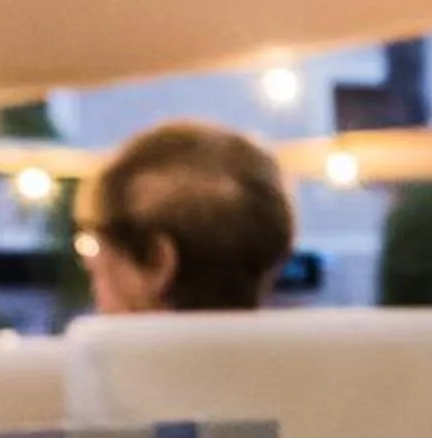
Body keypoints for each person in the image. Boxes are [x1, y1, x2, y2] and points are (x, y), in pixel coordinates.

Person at [76, 120, 296, 314]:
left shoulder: (87, 359)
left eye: (95, 262)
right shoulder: (312, 357)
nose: (95, 295)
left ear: (158, 262)